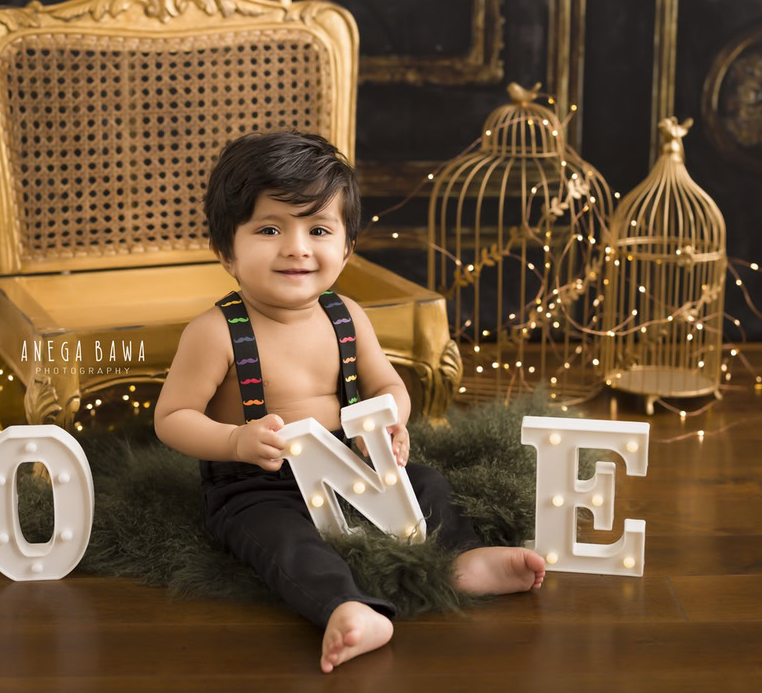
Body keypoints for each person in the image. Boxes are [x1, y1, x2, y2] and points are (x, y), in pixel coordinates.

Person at [154, 131, 545, 673]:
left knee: (427, 484)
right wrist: (234, 440)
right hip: (259, 481)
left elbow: (390, 386)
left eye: (318, 229)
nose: (296, 247)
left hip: (350, 465)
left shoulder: (347, 317)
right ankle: (350, 608)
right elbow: (172, 419)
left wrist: (390, 424)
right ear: (226, 251)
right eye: (270, 229)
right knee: (280, 541)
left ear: (346, 247)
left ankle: (464, 559)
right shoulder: (216, 332)